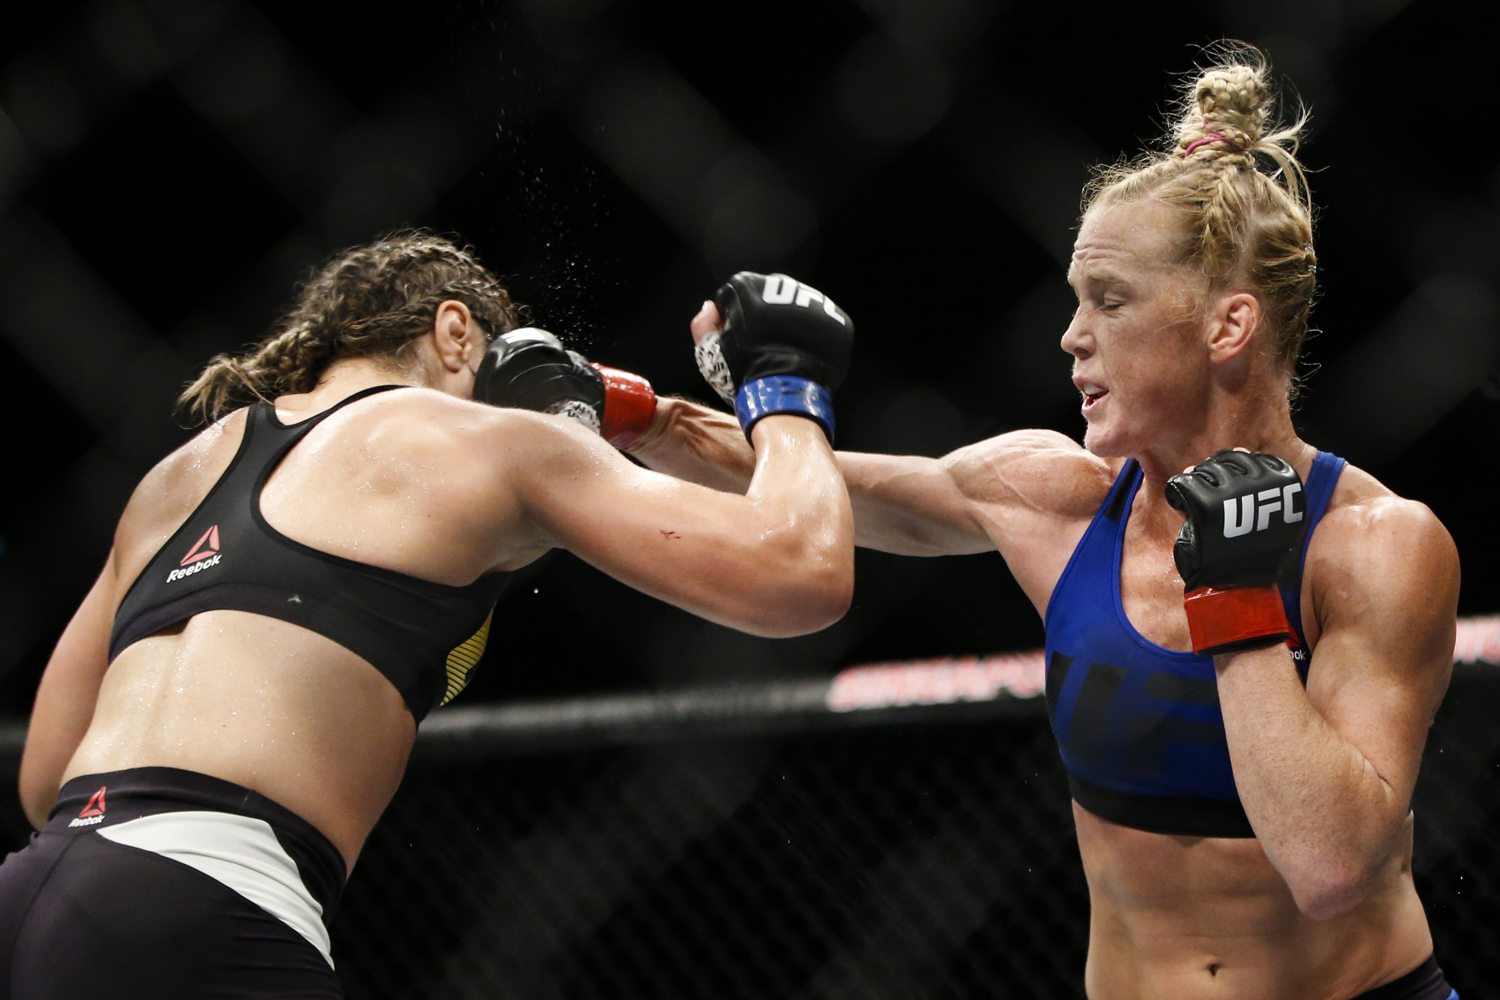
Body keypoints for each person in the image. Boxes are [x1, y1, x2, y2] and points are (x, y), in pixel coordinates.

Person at [622, 49, 1461, 1000]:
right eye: (1072, 298)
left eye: (1109, 299)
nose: (1071, 335)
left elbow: (1331, 867)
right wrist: (624, 413)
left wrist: (1235, 601)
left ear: (1226, 328)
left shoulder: (1375, 545)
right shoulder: (1050, 496)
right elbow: (801, 486)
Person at [1, 232, 856, 997]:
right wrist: (783, 387)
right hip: (203, 902)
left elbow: (45, 779)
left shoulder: (174, 477)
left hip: (32, 897)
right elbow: (798, 568)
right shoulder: (472, 439)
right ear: (456, 334)